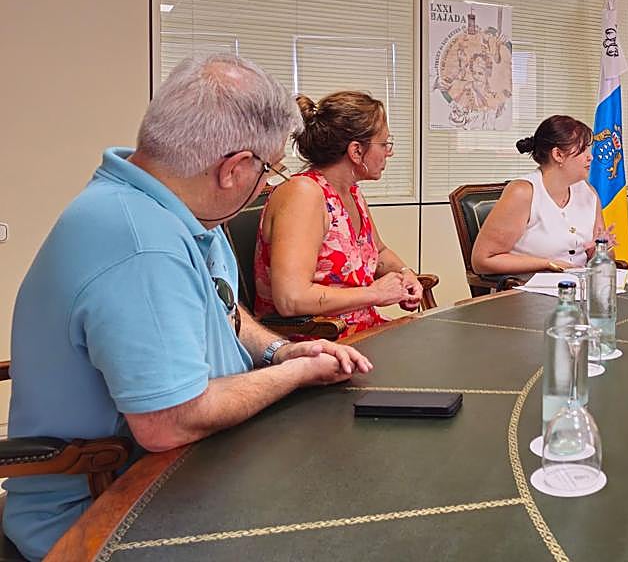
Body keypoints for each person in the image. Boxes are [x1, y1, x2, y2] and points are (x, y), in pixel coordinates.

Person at [4, 55, 372, 561]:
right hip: (107, 510)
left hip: (199, 468)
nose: (268, 184)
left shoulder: (179, 208)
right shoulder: (140, 245)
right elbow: (170, 421)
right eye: (268, 170)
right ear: (234, 168)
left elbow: (225, 311)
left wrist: (280, 352)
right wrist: (296, 374)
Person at [254, 91, 423, 338]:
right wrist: (374, 293)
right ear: (356, 151)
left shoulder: (351, 192)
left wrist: (406, 273)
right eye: (384, 144)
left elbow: (379, 252)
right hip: (319, 342)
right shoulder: (303, 194)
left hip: (361, 333)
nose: (390, 152)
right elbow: (291, 298)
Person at [472, 115, 611, 274]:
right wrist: (548, 264)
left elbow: (601, 258)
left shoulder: (589, 193)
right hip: (529, 286)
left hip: (581, 284)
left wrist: (600, 251)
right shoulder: (522, 192)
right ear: (558, 155)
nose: (590, 157)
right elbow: (482, 260)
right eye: (583, 149)